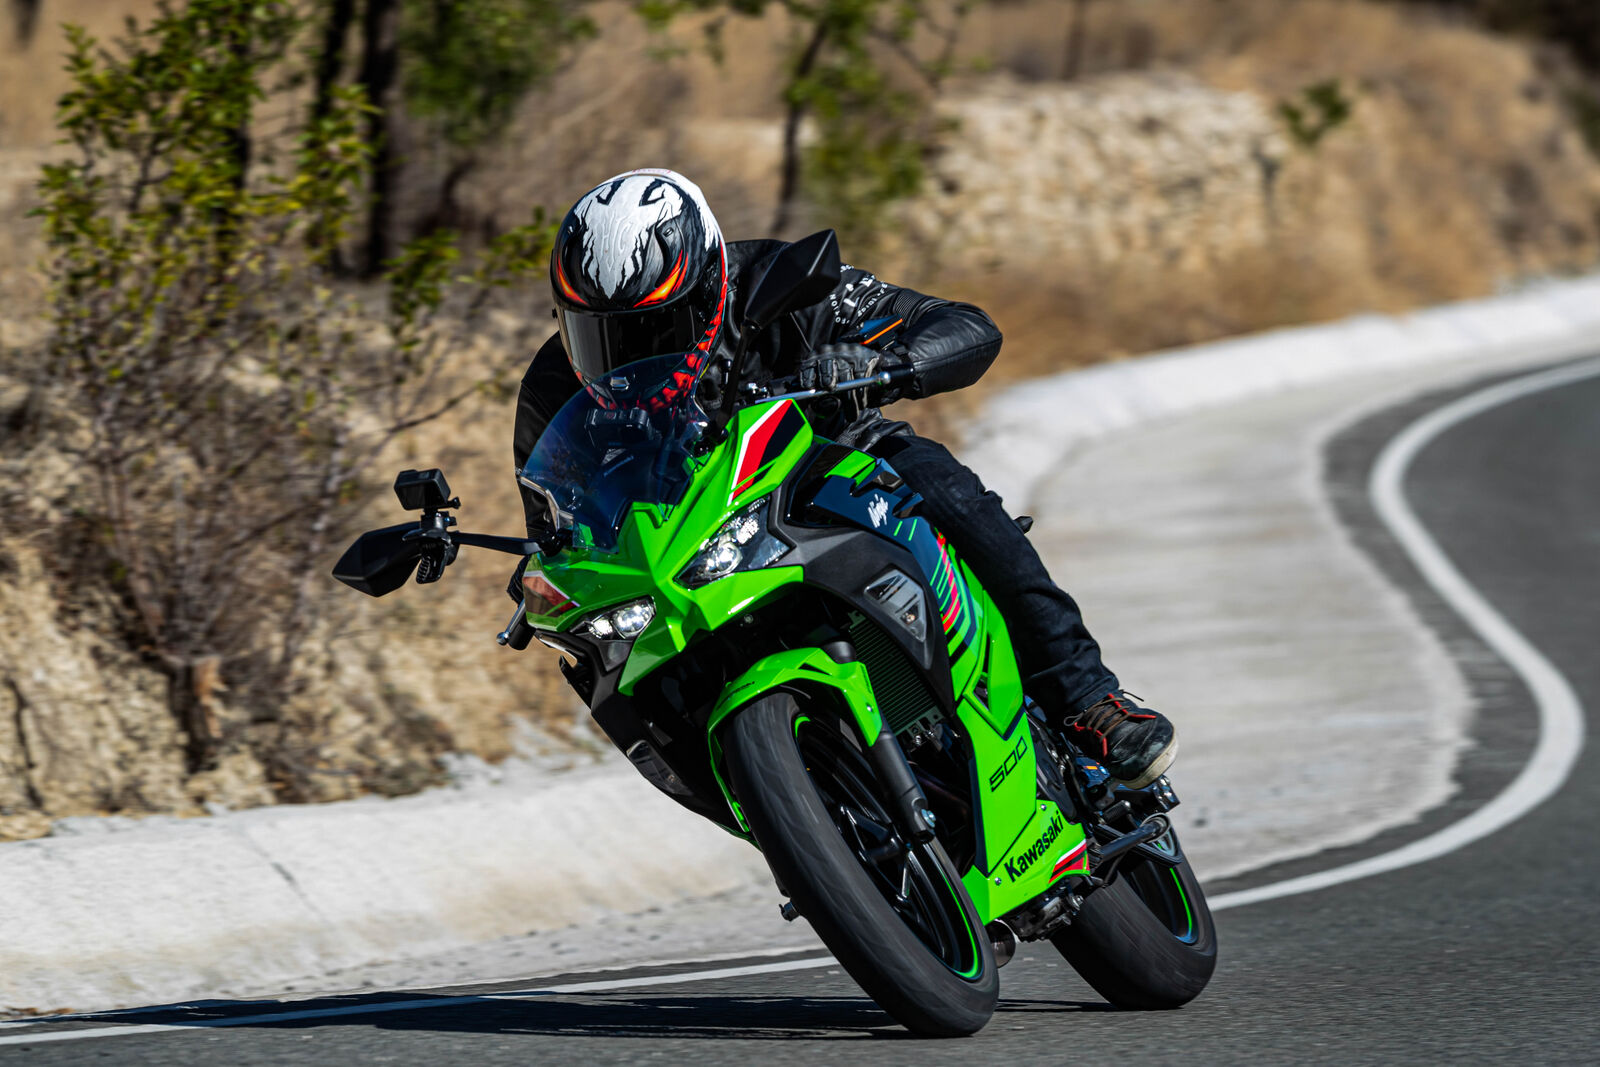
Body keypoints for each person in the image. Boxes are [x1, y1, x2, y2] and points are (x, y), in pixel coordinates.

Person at [512, 168, 1176, 788]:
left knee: (946, 491)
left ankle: (1087, 697)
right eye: (600, 335)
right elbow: (553, 520)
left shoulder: (777, 283)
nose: (627, 358)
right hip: (691, 549)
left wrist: (880, 362)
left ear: (711, 283)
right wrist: (547, 576)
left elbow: (961, 325)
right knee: (609, 662)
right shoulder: (551, 388)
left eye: (655, 329)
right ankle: (778, 809)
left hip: (838, 469)